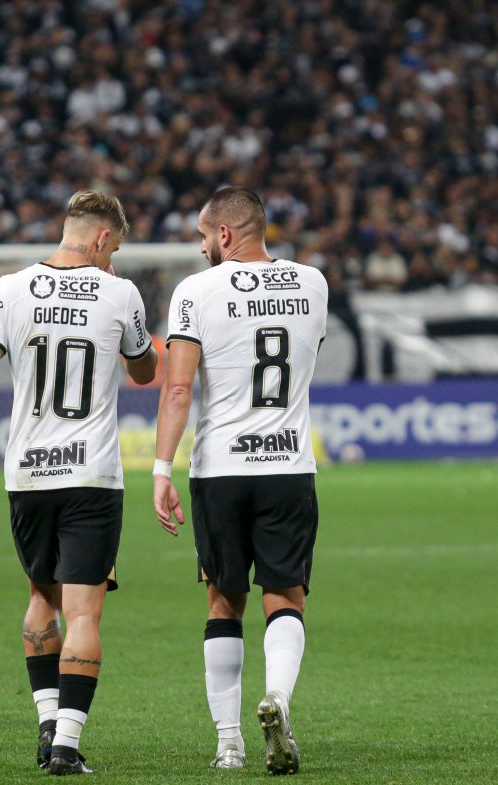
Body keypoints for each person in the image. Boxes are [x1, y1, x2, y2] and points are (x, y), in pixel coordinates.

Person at [0, 190, 156, 775]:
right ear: (104, 239)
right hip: (91, 474)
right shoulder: (120, 292)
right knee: (84, 612)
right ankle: (66, 747)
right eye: (116, 249)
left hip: (26, 473)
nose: (114, 260)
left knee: (40, 597)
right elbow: (143, 371)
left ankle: (47, 718)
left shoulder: (9, 289)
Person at [152, 187, 328, 774]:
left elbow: (178, 389)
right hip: (289, 465)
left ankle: (229, 742)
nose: (202, 247)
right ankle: (276, 696)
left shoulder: (195, 291)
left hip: (221, 468)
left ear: (225, 235)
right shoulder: (312, 284)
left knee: (224, 601)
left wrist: (160, 468)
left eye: (204, 236)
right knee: (287, 596)